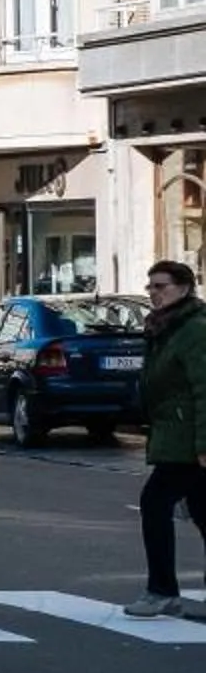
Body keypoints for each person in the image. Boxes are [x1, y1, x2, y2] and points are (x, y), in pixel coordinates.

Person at [130, 260, 206, 618]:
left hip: (188, 441)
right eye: (151, 287)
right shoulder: (166, 328)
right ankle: (163, 591)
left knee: (155, 503)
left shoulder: (194, 330)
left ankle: (161, 591)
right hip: (175, 435)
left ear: (185, 288)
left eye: (161, 286)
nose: (154, 293)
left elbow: (204, 390)